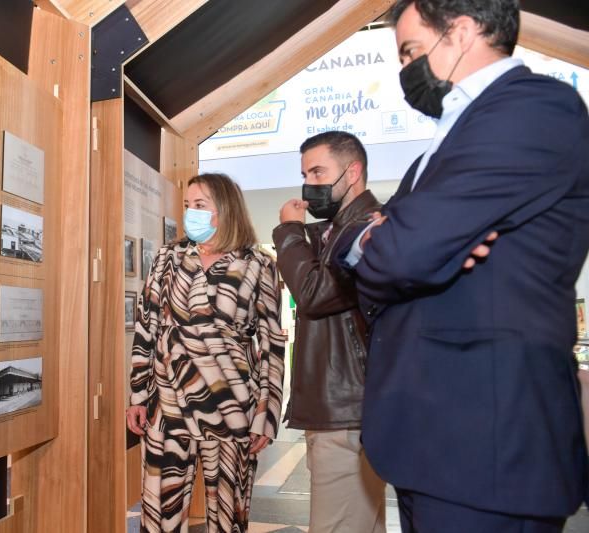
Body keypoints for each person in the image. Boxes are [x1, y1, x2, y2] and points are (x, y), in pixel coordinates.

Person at [335, 1, 589, 531]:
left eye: (411, 50)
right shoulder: (447, 138)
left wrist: (395, 243)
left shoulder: (536, 107)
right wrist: (377, 239)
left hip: (486, 448)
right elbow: (366, 259)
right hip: (430, 442)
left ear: (462, 32)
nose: (405, 69)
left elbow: (404, 251)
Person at [125, 172, 285, 533]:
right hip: (166, 406)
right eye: (187, 206)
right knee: (159, 517)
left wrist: (267, 415)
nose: (190, 213)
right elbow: (145, 328)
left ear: (225, 210)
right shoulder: (168, 258)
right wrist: (137, 395)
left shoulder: (258, 265)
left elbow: (272, 343)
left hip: (233, 408)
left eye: (200, 205)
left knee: (228, 518)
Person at [272, 131, 386, 533]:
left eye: (319, 172)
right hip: (343, 406)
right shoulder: (336, 230)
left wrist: (288, 232)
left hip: (346, 407)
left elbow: (314, 294)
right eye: (305, 174)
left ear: (352, 172)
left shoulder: (366, 229)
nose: (309, 184)